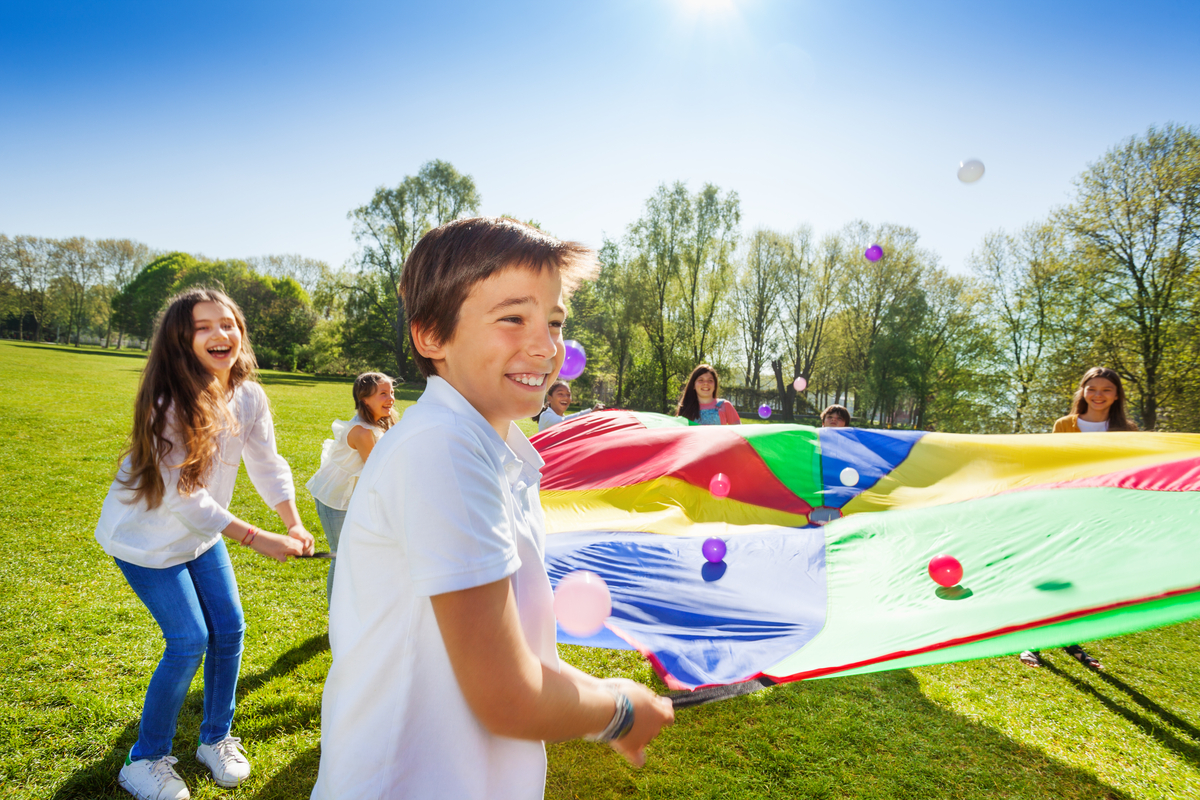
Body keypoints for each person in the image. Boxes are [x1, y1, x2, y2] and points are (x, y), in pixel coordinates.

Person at [312, 218, 674, 800]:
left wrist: (603, 690)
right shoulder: (443, 449)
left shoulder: (489, 447)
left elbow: (521, 654)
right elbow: (508, 694)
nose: (545, 346)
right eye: (513, 318)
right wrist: (618, 711)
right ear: (432, 336)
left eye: (554, 322)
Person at [94, 287, 315, 800]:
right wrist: (257, 537)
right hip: (146, 542)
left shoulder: (249, 394)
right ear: (181, 338)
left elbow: (267, 461)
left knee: (230, 630)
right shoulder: (167, 402)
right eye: (204, 326)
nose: (221, 334)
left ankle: (215, 739)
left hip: (200, 537)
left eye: (229, 323)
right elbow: (184, 497)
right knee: (189, 640)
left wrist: (294, 521)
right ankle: (144, 759)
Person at [1018, 366, 1138, 670]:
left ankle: (1070, 639)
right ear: (1083, 391)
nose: (1098, 395)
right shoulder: (1064, 425)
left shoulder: (1128, 432)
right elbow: (1054, 465)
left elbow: (1131, 472)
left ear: (1116, 396)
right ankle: (1030, 641)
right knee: (1051, 571)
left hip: (1100, 514)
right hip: (1062, 509)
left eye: (1106, 390)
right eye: (1092, 388)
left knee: (1080, 577)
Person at [305, 372, 398, 603]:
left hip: (355, 494)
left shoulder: (381, 423)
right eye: (383, 394)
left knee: (358, 553)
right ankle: (335, 615)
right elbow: (377, 472)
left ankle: (355, 608)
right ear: (365, 399)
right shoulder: (362, 432)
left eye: (392, 392)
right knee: (341, 553)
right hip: (335, 498)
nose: (391, 398)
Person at [675, 364, 741, 425]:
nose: (706, 383)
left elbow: (739, 433)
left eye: (710, 380)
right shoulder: (686, 408)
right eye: (701, 380)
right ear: (693, 385)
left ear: (715, 385)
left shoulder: (725, 405)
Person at [534, 379, 603, 431]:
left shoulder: (564, 417)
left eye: (568, 394)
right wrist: (589, 413)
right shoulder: (546, 416)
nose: (565, 397)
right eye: (560, 394)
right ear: (549, 398)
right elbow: (563, 423)